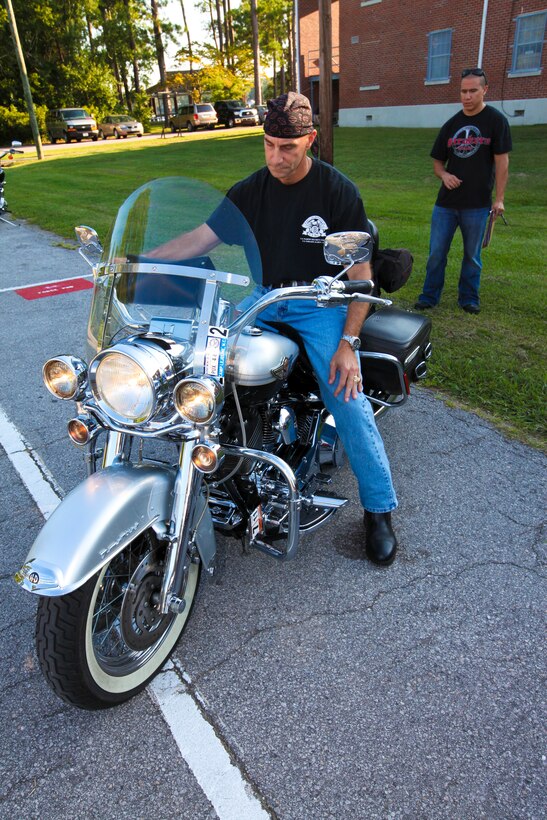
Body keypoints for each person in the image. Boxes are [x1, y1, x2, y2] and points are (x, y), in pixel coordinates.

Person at [150, 92, 399, 566]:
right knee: (203, 360)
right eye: (268, 145)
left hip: (319, 300)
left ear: (310, 139)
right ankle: (217, 460)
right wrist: (140, 262)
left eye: (287, 147)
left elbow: (361, 278)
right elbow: (198, 239)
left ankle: (379, 510)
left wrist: (349, 344)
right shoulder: (249, 192)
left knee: (345, 392)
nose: (276, 157)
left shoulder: (337, 192)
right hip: (264, 296)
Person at [415, 67, 512, 314]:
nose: (467, 96)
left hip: (478, 205)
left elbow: (502, 163)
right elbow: (437, 162)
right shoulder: (452, 124)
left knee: (472, 256)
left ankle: (468, 298)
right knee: (436, 253)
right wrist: (444, 175)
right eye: (463, 91)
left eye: (472, 91)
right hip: (446, 204)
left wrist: (499, 199)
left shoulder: (496, 121)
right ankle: (429, 296)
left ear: (484, 90)